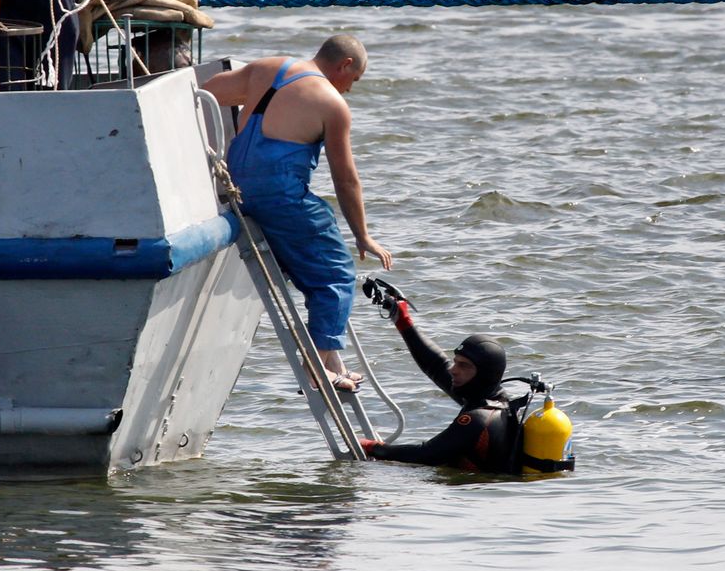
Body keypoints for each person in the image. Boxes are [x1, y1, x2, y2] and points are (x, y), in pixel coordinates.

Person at [202, 35, 393, 392]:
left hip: (237, 189)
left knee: (311, 269)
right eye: (354, 81)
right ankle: (318, 368)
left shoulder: (269, 67)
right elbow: (345, 177)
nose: (349, 90)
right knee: (336, 273)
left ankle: (332, 358)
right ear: (345, 66)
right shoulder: (331, 104)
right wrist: (362, 234)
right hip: (280, 197)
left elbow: (203, 94)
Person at [361, 292, 517, 473]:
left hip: (477, 492)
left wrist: (373, 447)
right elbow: (436, 365)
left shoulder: (478, 419)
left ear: (484, 374)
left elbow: (426, 455)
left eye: (463, 365)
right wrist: (402, 321)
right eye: (456, 361)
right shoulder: (491, 398)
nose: (453, 369)